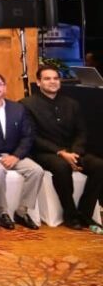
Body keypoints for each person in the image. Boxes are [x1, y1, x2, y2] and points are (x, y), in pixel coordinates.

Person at [22, 66, 103, 229]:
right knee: (61, 167)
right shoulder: (27, 104)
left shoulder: (72, 104)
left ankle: (85, 213)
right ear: (38, 82)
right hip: (46, 152)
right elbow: (32, 136)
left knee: (99, 165)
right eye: (47, 78)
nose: (52, 82)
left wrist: (75, 152)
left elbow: (81, 131)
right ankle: (70, 215)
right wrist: (60, 153)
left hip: (73, 150)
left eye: (55, 78)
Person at [0, 73, 44, 230]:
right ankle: (3, 211)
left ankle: (22, 211)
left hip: (15, 154)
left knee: (37, 171)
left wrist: (16, 156)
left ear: (4, 86)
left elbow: (27, 136)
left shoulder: (18, 108)